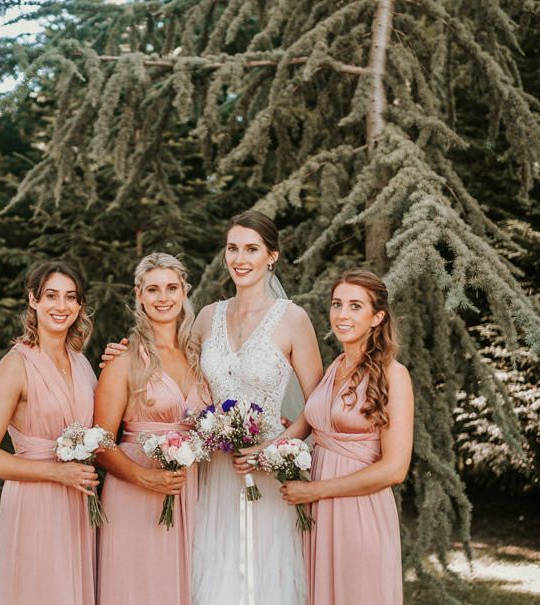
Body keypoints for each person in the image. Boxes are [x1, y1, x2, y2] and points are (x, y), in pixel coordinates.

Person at [102, 211, 323, 604]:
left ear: (271, 256)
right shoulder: (207, 318)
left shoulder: (294, 320)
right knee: (214, 571)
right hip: (212, 472)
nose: (240, 258)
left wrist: (273, 450)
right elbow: (170, 359)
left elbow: (317, 405)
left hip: (266, 471)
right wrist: (119, 355)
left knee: (266, 575)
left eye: (251, 249)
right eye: (232, 248)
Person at [278, 269, 414, 605]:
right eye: (337, 304)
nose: (342, 314)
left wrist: (315, 490)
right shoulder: (334, 367)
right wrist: (257, 447)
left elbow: (394, 469)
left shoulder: (394, 376)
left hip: (359, 513)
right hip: (319, 516)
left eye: (355, 306)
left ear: (376, 317)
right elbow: (309, 426)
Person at [0, 261, 100, 605]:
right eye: (51, 296)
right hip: (35, 502)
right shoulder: (15, 366)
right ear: (33, 300)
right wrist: (57, 472)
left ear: (80, 305)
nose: (61, 306)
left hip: (78, 500)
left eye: (71, 298)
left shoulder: (82, 363)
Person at [95, 253, 209, 604]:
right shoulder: (124, 358)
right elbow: (99, 442)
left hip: (191, 488)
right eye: (153, 289)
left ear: (185, 292)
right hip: (135, 490)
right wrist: (145, 478)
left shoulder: (200, 354)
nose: (164, 298)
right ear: (139, 295)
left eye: (172, 288)